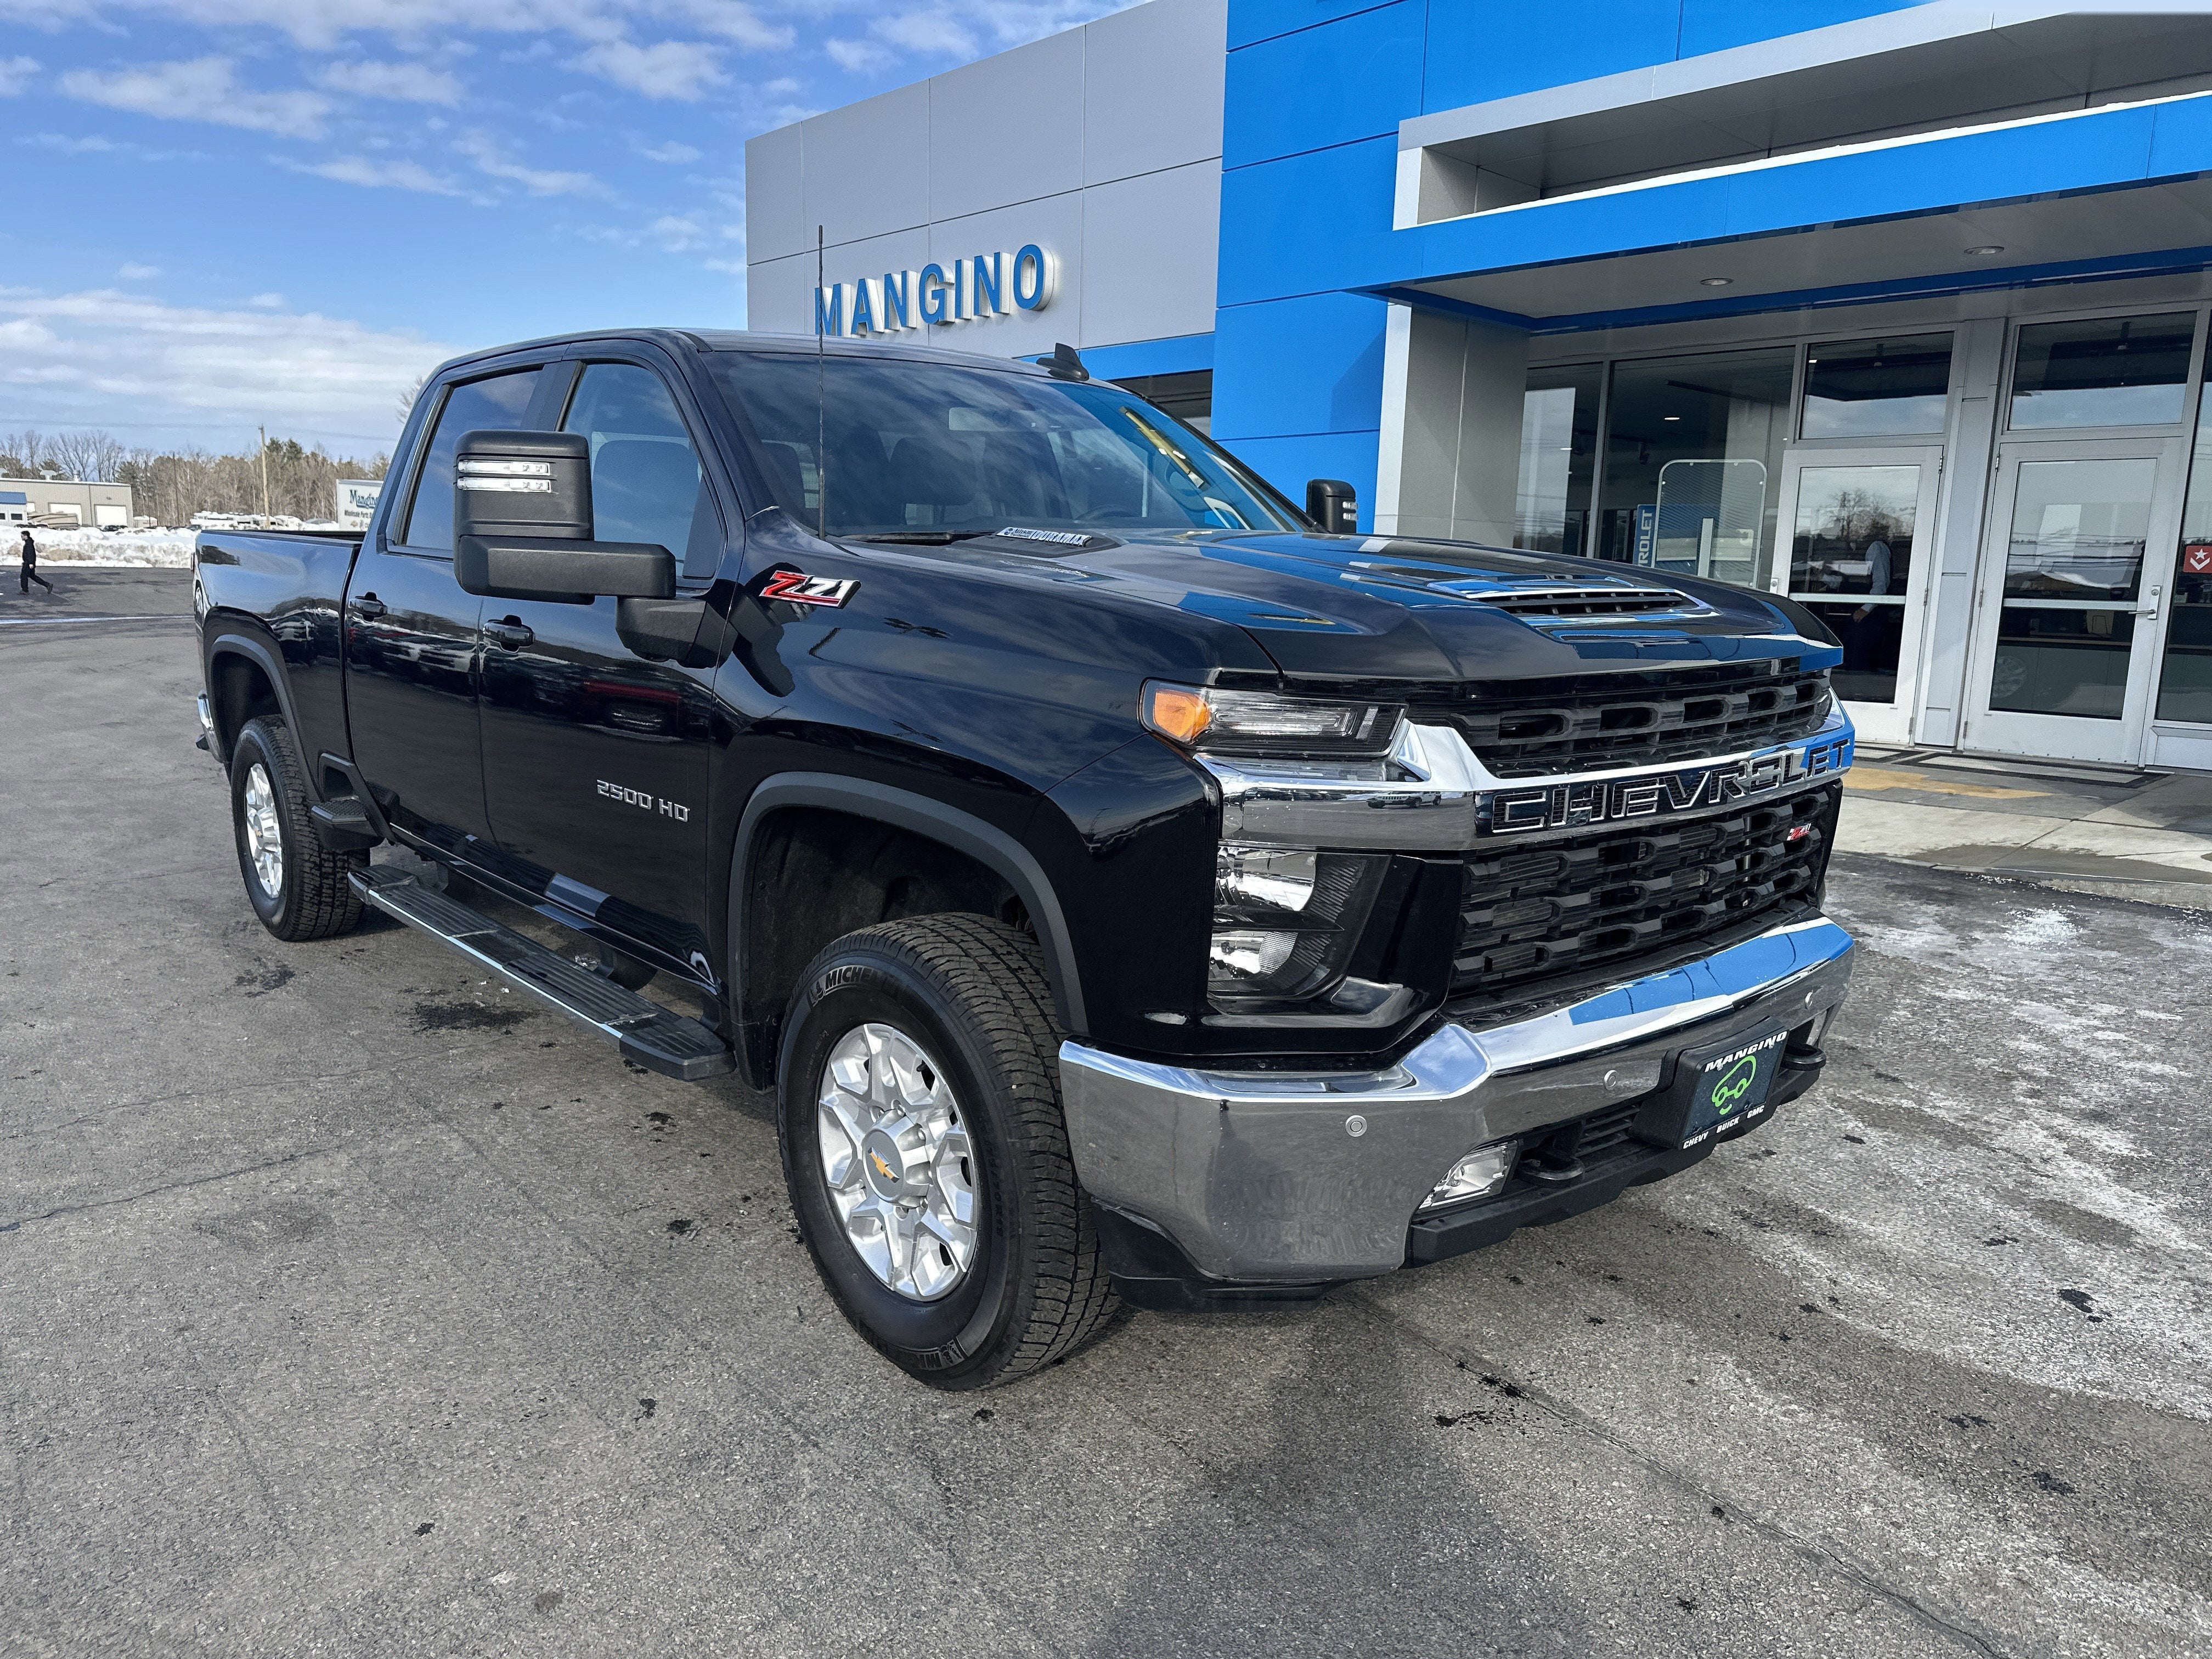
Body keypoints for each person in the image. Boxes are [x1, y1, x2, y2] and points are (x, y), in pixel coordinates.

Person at [19, 528, 52, 595]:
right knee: (32, 576)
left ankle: (25, 590)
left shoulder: (29, 543)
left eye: (22, 535)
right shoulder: (29, 542)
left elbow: (31, 554)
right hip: (28, 562)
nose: (21, 537)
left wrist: (31, 563)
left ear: (26, 536)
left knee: (24, 576)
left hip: (28, 563)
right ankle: (47, 585)